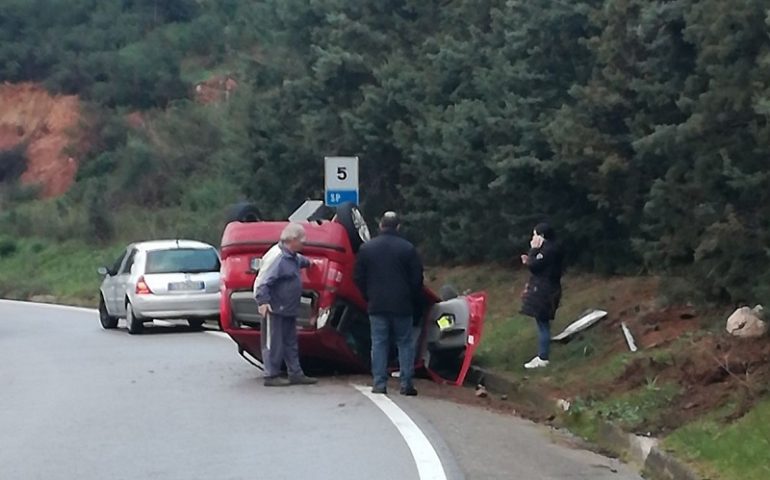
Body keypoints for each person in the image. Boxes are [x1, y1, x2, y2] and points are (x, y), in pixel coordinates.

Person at [354, 211, 423, 396]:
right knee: (405, 343)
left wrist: (368, 295)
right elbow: (417, 280)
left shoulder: (367, 249)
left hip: (377, 304)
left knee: (379, 343)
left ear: (380, 226)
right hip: (402, 304)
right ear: (398, 227)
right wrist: (411, 298)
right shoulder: (408, 248)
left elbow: (359, 277)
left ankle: (379, 383)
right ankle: (406, 384)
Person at [255, 223, 318, 387]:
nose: (304, 244)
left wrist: (311, 263)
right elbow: (264, 283)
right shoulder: (279, 259)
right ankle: (271, 375)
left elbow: (301, 261)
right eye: (301, 241)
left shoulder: (293, 257)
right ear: (292, 240)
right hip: (275, 308)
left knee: (291, 341)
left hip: (289, 308)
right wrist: (263, 302)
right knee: (273, 342)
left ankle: (295, 373)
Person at [520, 223, 563, 369]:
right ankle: (542, 354)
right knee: (542, 323)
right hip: (548, 288)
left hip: (545, 290)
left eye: (535, 235)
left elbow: (535, 266)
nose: (532, 238)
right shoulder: (553, 249)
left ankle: (543, 357)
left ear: (542, 236)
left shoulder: (548, 250)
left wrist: (532, 251)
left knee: (543, 323)